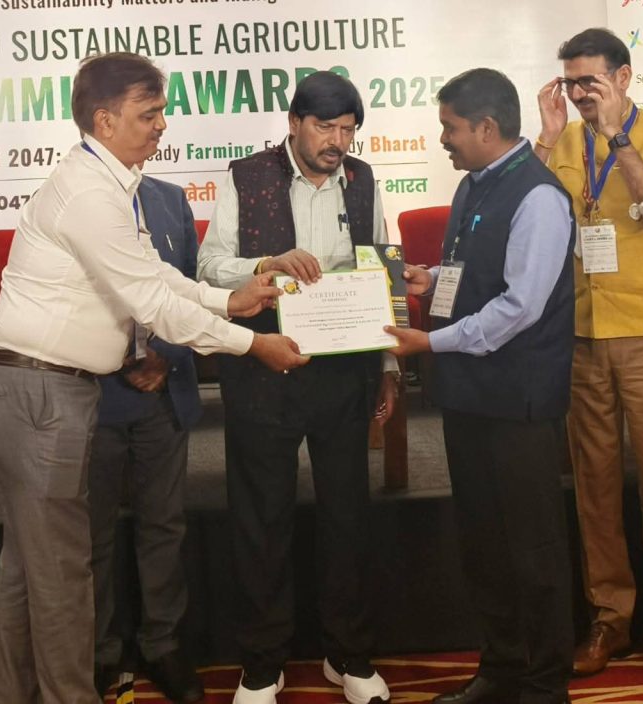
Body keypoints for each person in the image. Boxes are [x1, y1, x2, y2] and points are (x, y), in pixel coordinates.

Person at [0, 51, 305, 704]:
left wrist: (229, 300)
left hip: (42, 389)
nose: (162, 125)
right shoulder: (89, 192)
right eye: (149, 113)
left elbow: (156, 275)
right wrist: (253, 344)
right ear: (105, 121)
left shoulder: (109, 182)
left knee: (27, 569)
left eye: (162, 111)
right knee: (60, 575)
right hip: (42, 393)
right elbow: (152, 303)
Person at [197, 71, 398, 704]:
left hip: (344, 371)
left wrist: (389, 366)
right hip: (264, 369)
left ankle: (349, 655)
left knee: (348, 515)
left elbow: (378, 268)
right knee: (261, 518)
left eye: (348, 130)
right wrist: (267, 263)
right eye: (325, 127)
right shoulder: (246, 177)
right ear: (294, 123)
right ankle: (262, 664)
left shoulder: (363, 180)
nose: (338, 142)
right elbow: (209, 266)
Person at [385, 67, 575, 704]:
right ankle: (501, 669)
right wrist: (432, 278)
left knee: (532, 547)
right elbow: (478, 271)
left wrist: (429, 343)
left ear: (487, 128)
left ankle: (544, 683)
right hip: (469, 393)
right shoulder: (473, 184)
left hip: (517, 401)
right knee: (484, 541)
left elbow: (521, 306)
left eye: (451, 128)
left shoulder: (539, 196)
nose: (443, 139)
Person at [533, 28, 643, 687]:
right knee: (595, 488)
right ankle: (610, 619)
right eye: (571, 82)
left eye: (591, 81)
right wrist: (547, 138)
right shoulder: (562, 140)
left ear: (624, 78)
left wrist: (617, 138)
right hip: (582, 332)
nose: (580, 93)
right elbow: (533, 217)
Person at [88, 173, 206, 703]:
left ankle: (162, 644)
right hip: (94, 396)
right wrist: (123, 358)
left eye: (159, 128)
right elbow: (73, 299)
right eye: (147, 125)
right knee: (91, 536)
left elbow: (189, 289)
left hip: (165, 393)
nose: (156, 133)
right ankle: (98, 651)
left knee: (164, 526)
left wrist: (167, 356)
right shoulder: (74, 197)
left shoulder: (170, 199)